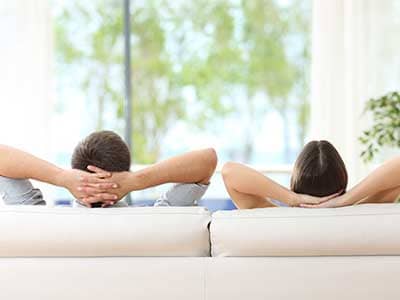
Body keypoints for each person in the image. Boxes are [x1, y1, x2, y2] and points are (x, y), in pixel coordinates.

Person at [0, 131, 217, 208]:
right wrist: (136, 181)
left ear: (75, 170)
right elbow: (208, 160)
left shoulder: (36, 225)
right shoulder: (158, 223)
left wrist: (61, 178)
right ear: (126, 170)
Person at [221, 140, 400, 209]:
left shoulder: (271, 217)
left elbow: (229, 171)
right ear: (343, 179)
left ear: (294, 182)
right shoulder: (367, 212)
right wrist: (346, 200)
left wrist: (291, 198)